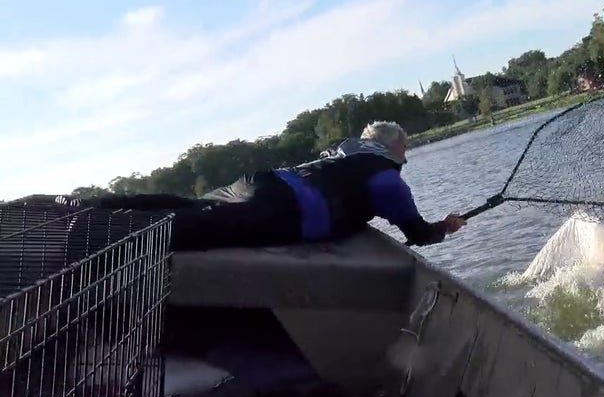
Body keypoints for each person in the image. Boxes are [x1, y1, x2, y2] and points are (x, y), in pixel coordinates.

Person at [53, 121, 467, 251]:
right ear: (393, 147)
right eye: (405, 148)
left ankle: (83, 205)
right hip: (280, 210)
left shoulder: (346, 153)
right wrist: (446, 226)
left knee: (191, 205)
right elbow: (418, 233)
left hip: (259, 183)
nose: (407, 156)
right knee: (187, 229)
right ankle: (84, 234)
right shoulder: (387, 180)